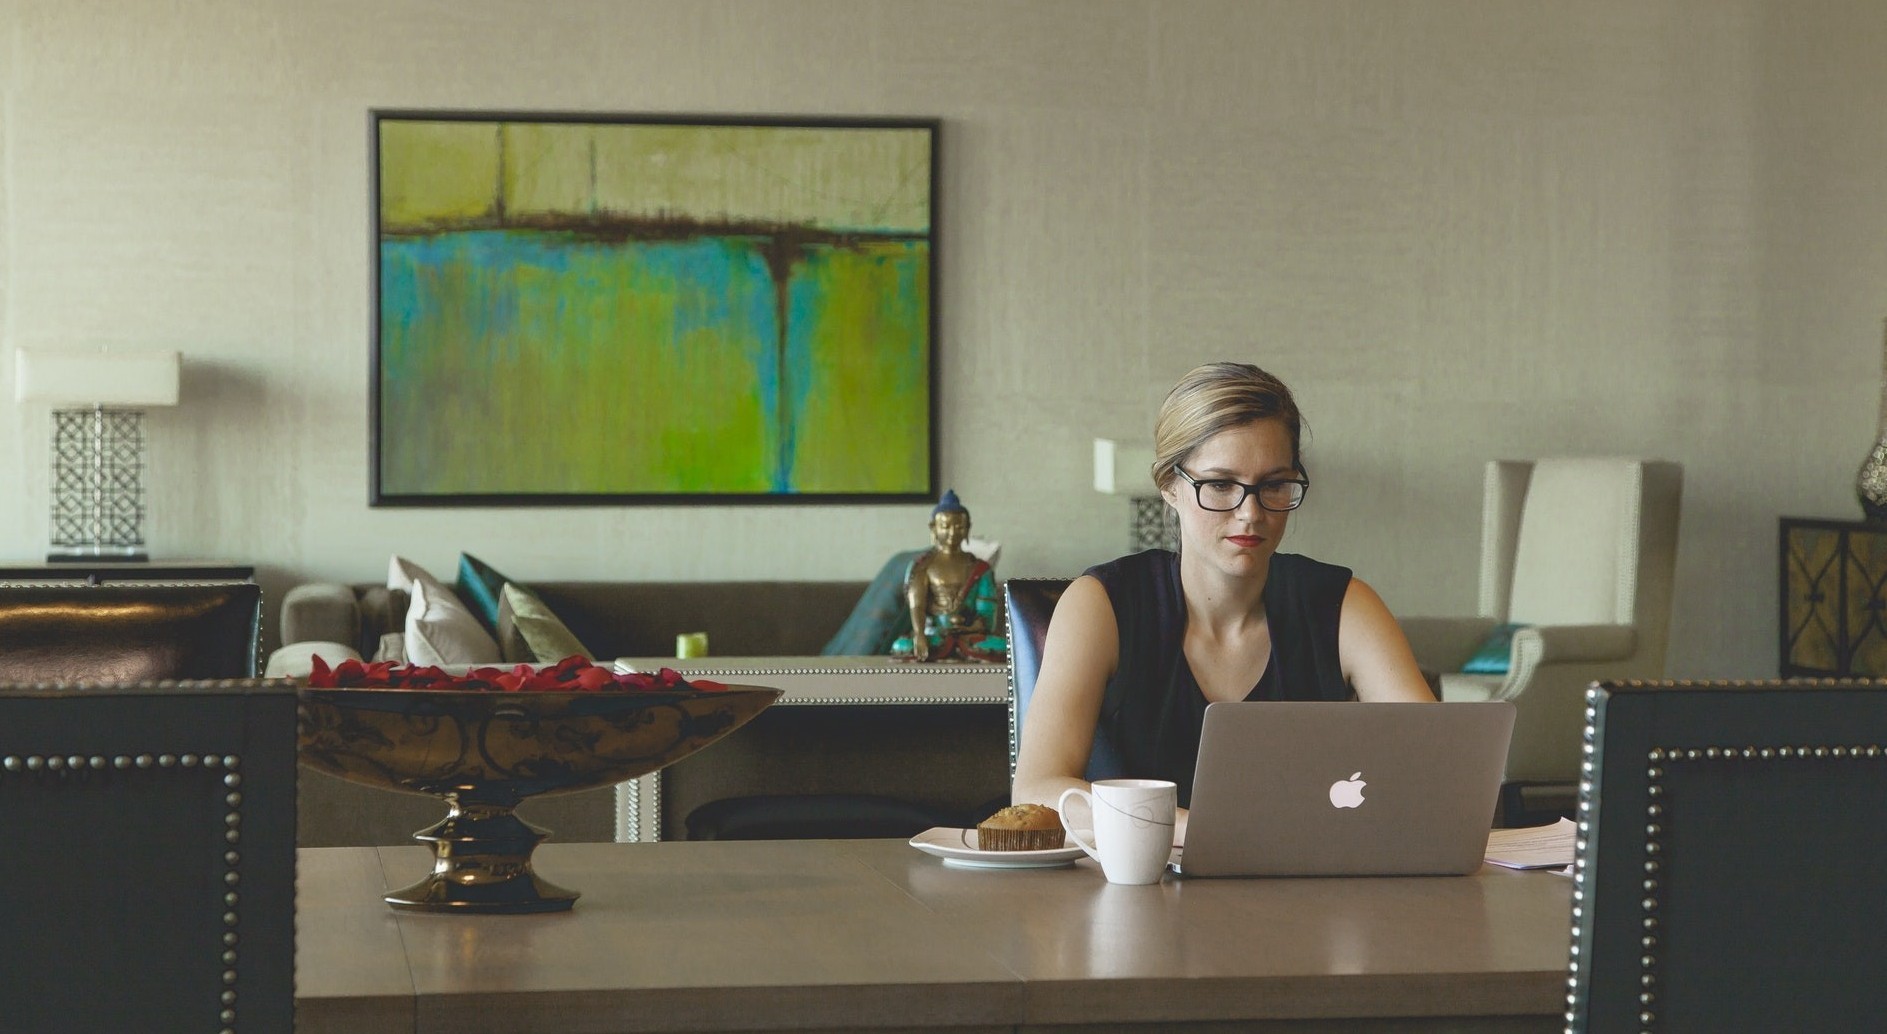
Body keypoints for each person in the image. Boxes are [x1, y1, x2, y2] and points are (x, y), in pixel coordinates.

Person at [1011, 362, 1433, 842]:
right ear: (1170, 485)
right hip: (1130, 895)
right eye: (1219, 485)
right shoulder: (1101, 605)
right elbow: (1037, 790)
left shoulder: (1343, 605)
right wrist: (1215, 832)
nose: (1250, 513)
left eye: (1274, 485)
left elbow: (1436, 772)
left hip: (1304, 895)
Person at [891, 489, 1007, 663]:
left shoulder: (980, 569)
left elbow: (986, 615)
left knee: (1006, 646)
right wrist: (919, 634)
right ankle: (951, 650)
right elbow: (917, 606)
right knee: (902, 645)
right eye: (946, 526)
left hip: (969, 637)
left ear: (968, 527)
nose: (952, 532)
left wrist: (970, 626)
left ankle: (955, 650)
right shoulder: (922, 566)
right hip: (935, 635)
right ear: (933, 528)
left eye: (959, 526)